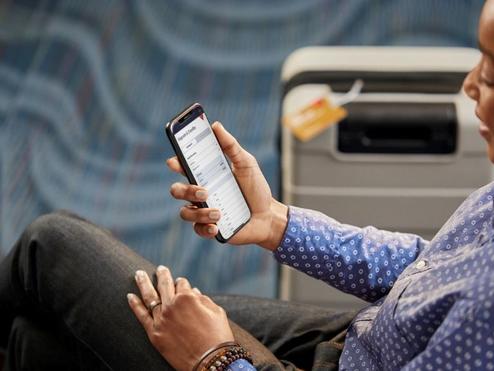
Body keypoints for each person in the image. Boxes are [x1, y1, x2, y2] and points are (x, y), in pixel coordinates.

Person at [1, 1, 494, 370]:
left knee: (53, 245)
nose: (470, 83)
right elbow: (427, 265)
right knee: (35, 344)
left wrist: (214, 357)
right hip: (361, 338)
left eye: (491, 72)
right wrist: (277, 222)